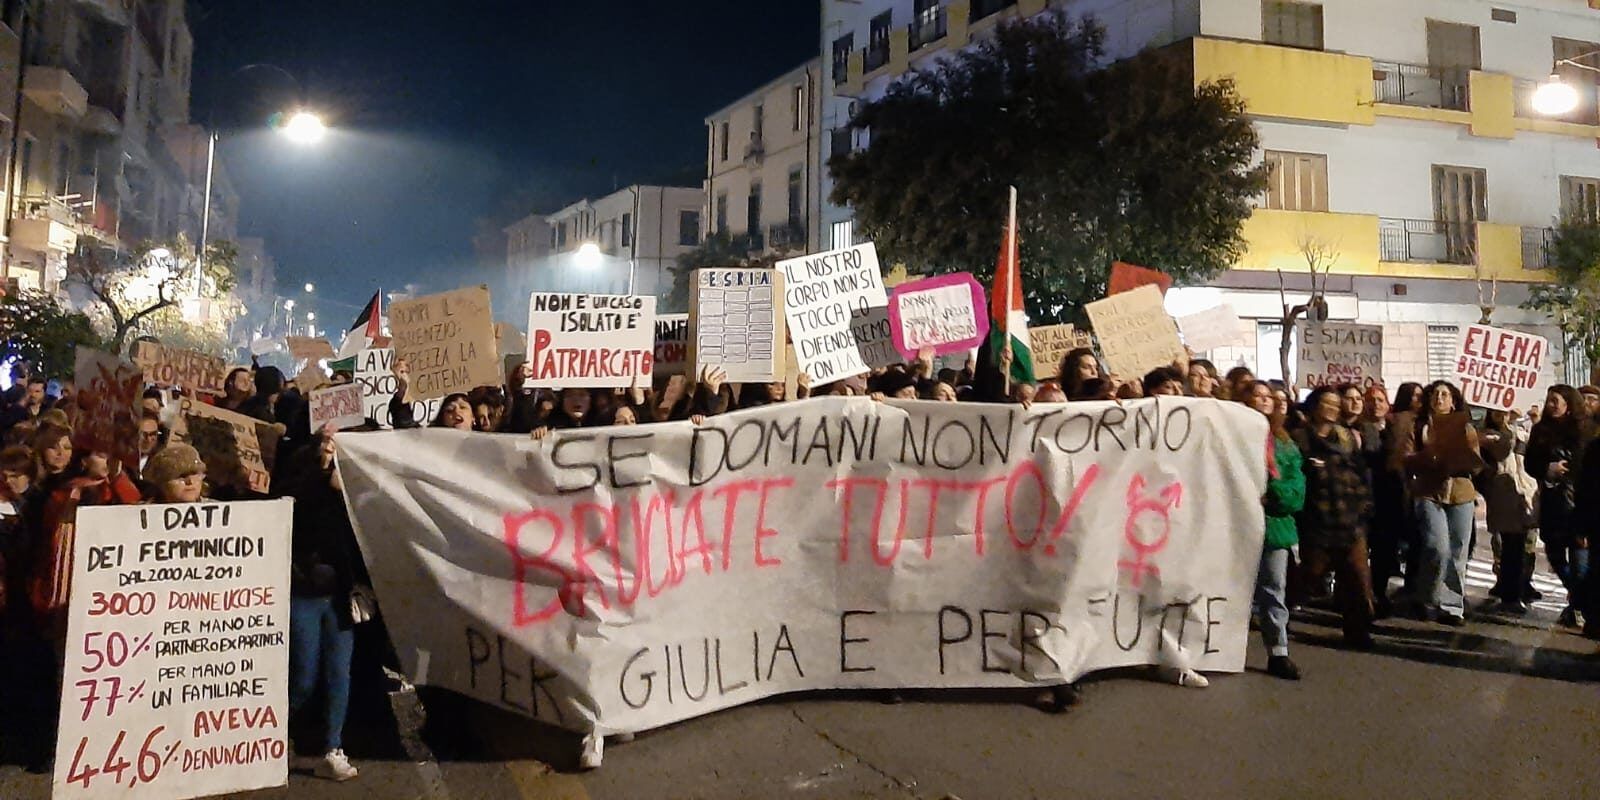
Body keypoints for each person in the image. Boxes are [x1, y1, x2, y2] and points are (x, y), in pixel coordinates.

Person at [282, 430, 363, 782]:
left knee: (338, 674)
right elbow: (300, 504)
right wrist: (321, 465)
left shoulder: (358, 480)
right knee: (303, 676)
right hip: (304, 590)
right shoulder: (303, 466)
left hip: (340, 592)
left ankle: (333, 747)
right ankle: (276, 739)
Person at [1293, 386, 1375, 648]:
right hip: (1318, 523)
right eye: (1326, 403)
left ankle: (1358, 633)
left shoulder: (1347, 439)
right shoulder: (1301, 439)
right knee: (1309, 576)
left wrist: (1363, 506)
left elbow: (1361, 474)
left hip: (1350, 522)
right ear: (1315, 406)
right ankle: (1273, 611)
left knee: (1358, 580)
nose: (1332, 408)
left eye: (1335, 404)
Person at [1395, 381, 1480, 625]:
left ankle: (1452, 606)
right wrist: (1426, 457)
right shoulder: (1419, 426)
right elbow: (1406, 458)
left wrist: (1462, 456)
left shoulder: (1465, 428)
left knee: (1457, 551)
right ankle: (1428, 596)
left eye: (1445, 394)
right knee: (1436, 546)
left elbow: (1476, 463)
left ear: (1454, 401)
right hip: (1429, 492)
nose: (1440, 398)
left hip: (1461, 493)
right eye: (1436, 394)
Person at [1243, 380, 1304, 679]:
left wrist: (1274, 491)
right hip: (1237, 524)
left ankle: (1278, 651)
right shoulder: (1235, 437)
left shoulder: (1285, 443)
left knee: (1273, 589)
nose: (1265, 400)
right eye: (1257, 395)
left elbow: (1297, 491)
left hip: (1275, 527)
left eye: (1268, 396)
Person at [1525, 385, 1590, 628]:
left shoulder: (1585, 430)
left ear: (1569, 403)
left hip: (1578, 504)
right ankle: (1581, 600)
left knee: (1579, 560)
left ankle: (1579, 605)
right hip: (1552, 503)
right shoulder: (1541, 430)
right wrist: (1547, 469)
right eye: (1549, 400)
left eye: (1556, 400)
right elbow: (1531, 462)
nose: (1551, 404)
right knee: (1554, 554)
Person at [1478, 410, 1537, 614]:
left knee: (1521, 544)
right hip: (1502, 494)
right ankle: (1510, 592)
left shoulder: (1522, 430)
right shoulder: (1486, 434)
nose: (1502, 413)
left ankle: (1517, 589)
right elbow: (1500, 451)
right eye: (1497, 410)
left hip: (1524, 492)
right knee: (1507, 544)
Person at [141, 444, 207, 504]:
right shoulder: (139, 513)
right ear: (162, 483)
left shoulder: (215, 511)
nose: (190, 481)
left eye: (194, 474)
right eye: (182, 476)